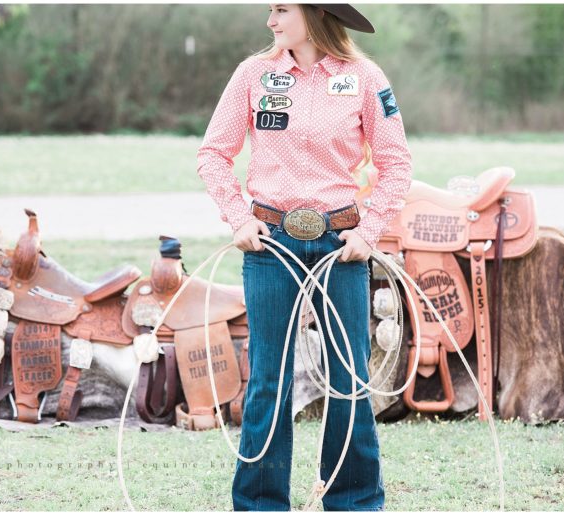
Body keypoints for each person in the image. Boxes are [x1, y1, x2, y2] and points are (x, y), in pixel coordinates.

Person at [196, 3, 412, 511]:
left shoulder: (364, 77)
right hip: (269, 241)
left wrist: (371, 229)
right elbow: (212, 153)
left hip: (342, 244)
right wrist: (238, 218)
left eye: (280, 9)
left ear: (313, 13)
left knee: (349, 377)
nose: (270, 20)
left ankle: (355, 500)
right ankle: (260, 504)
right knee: (269, 379)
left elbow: (396, 162)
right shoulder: (254, 74)